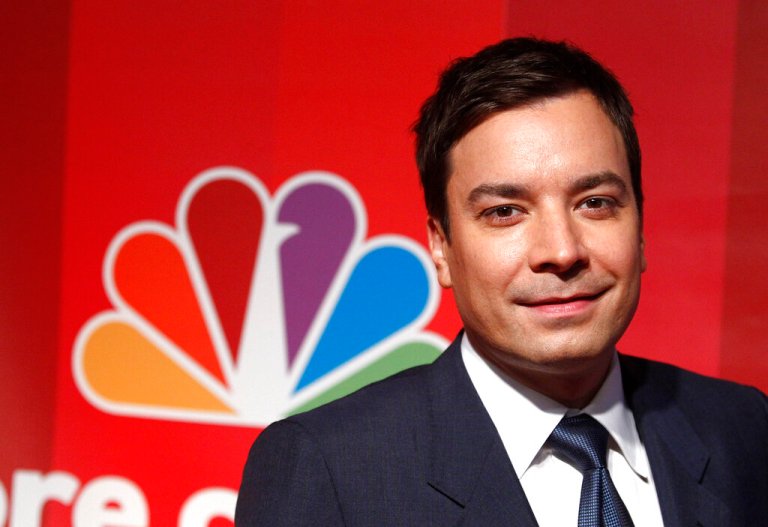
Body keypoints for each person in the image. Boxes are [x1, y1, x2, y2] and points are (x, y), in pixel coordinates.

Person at [235, 37, 768, 526]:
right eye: (506, 212)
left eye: (595, 203)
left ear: (641, 226)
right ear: (441, 247)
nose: (562, 251)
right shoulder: (328, 468)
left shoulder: (743, 429)